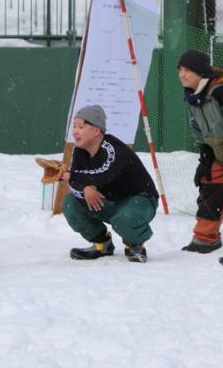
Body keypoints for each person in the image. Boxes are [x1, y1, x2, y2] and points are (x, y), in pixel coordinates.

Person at [62, 105, 158, 263]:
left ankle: (135, 244)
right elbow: (76, 184)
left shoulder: (113, 148)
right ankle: (102, 244)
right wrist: (85, 187)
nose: (75, 131)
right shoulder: (79, 151)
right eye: (74, 126)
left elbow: (104, 175)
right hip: (109, 201)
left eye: (81, 126)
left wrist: (70, 176)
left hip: (140, 200)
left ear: (96, 131)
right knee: (70, 203)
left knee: (125, 217)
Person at [178, 49, 223, 253]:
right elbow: (196, 126)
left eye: (188, 70)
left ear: (201, 72)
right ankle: (205, 238)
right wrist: (205, 153)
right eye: (180, 69)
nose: (182, 74)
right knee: (210, 188)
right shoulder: (193, 96)